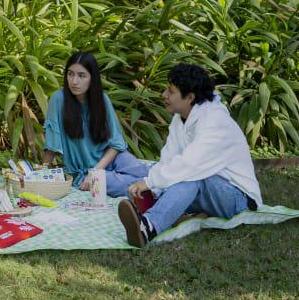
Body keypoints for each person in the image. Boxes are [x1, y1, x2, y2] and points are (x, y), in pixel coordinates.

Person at [115, 63, 262, 247]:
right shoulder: (180, 119)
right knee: (161, 175)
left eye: (171, 91)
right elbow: (168, 159)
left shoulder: (215, 121)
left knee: (190, 177)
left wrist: (150, 181)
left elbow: (191, 165)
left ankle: (148, 227)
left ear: (190, 97)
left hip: (241, 201)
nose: (164, 95)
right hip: (210, 192)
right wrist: (151, 187)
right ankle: (154, 210)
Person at [41, 51, 150, 194]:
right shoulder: (58, 99)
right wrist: (40, 174)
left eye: (81, 75)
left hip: (110, 158)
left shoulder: (102, 100)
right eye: (70, 74)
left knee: (145, 174)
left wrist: (96, 170)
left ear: (92, 78)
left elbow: (116, 144)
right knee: (123, 184)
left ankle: (157, 187)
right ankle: (156, 190)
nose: (74, 81)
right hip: (85, 171)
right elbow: (52, 145)